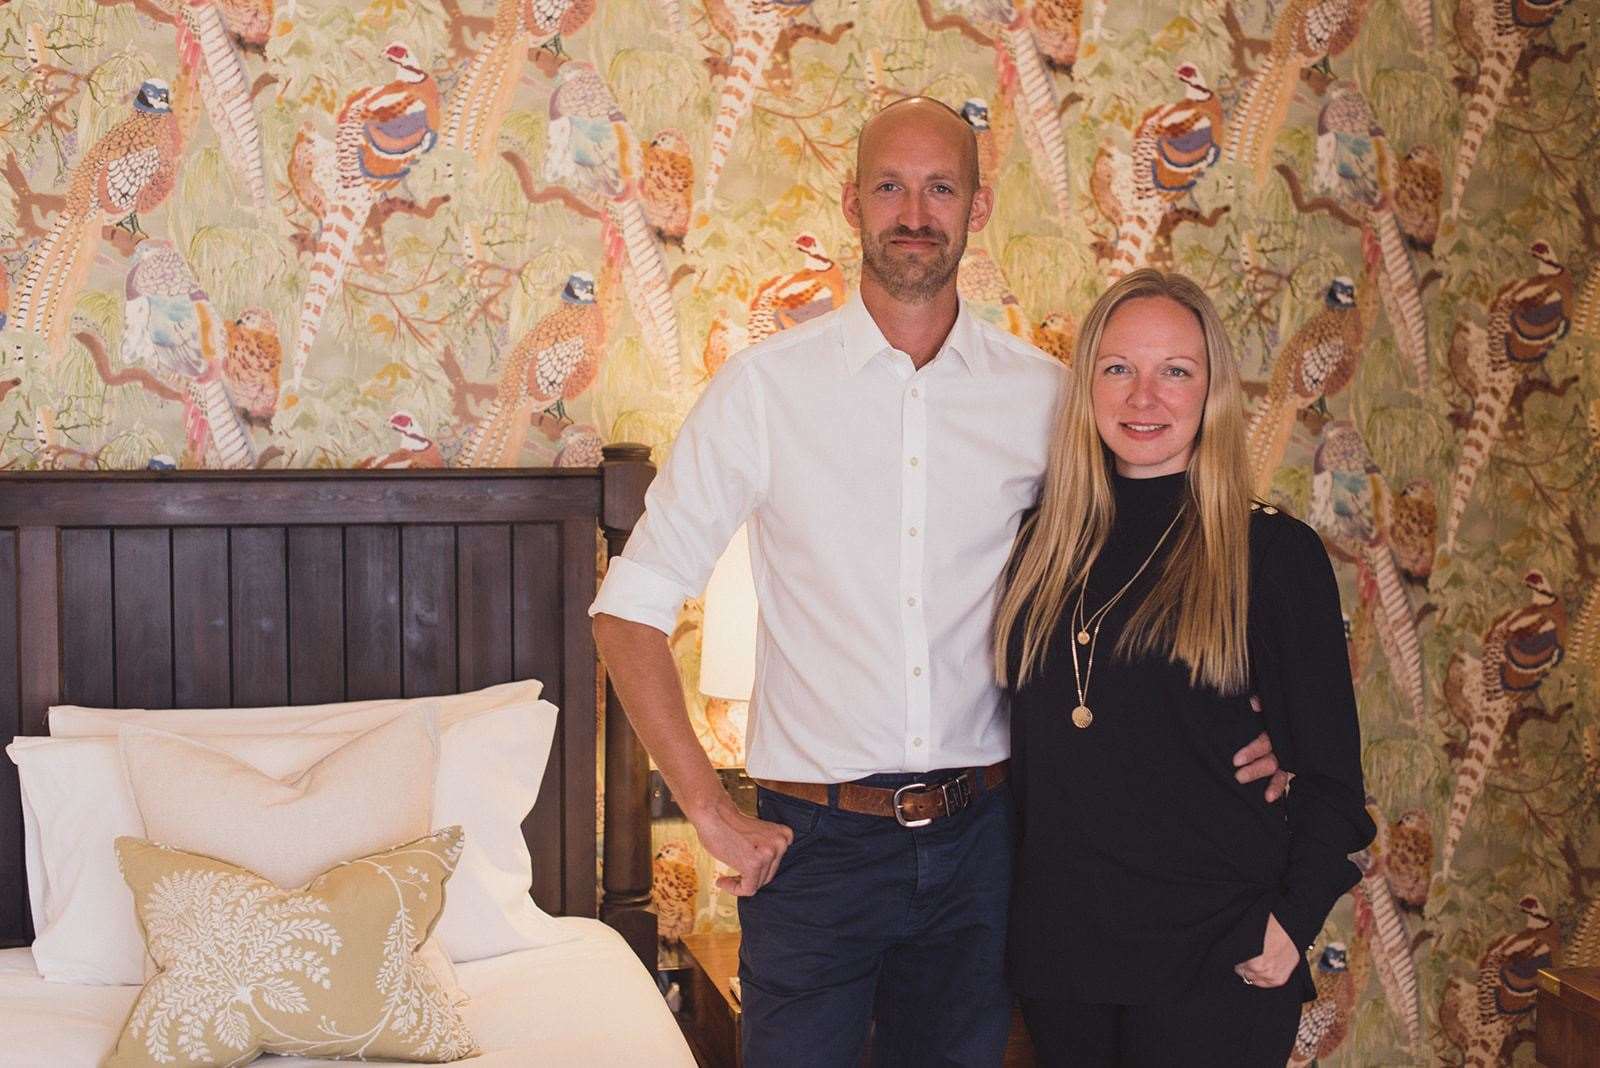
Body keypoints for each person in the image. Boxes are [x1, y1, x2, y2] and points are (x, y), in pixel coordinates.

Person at [591, 100, 1284, 1067]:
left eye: (940, 187)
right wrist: (708, 808)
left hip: (989, 843)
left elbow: (1140, 572)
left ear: (978, 206)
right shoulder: (762, 393)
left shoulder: (1045, 398)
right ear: (852, 203)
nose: (914, 211)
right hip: (813, 849)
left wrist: (1256, 718)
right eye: (889, 186)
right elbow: (628, 611)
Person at [993, 269, 1376, 1067]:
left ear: (1212, 393)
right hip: (1064, 961)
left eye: (1176, 372)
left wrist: (1289, 928)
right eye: (1118, 369)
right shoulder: (1037, 545)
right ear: (1088, 384)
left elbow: (1336, 788)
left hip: (1217, 961)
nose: (1145, 398)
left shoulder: (1270, 553)